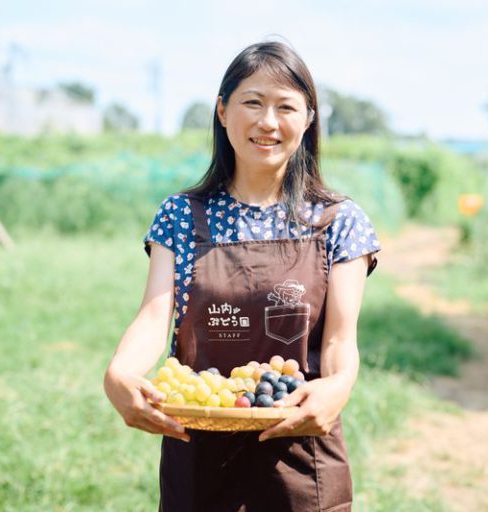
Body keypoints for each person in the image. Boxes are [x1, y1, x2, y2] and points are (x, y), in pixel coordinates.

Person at [104, 40, 381, 511]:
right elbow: (154, 317)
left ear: (309, 120)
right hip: (199, 458)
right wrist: (120, 374)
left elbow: (338, 342)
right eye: (252, 102)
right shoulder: (181, 215)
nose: (268, 122)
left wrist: (339, 388)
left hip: (301, 454)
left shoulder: (339, 221)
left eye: (286, 107)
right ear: (222, 110)